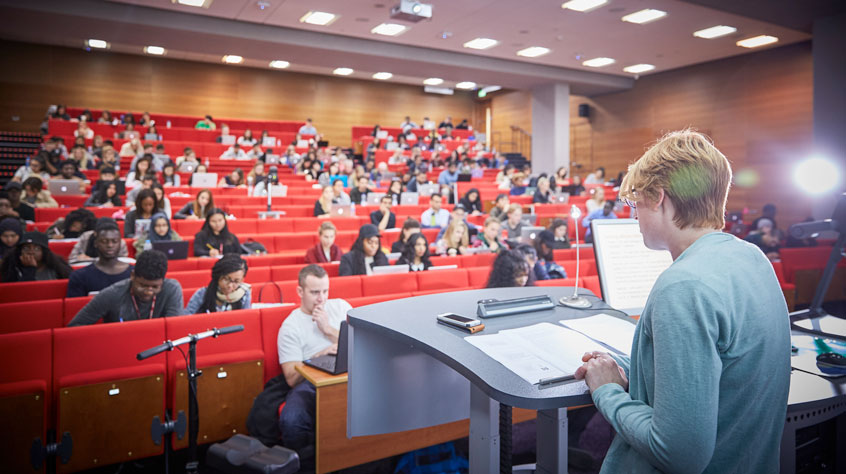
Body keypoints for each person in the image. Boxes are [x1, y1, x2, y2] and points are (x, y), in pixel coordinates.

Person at [574, 130, 789, 474]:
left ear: (659, 197)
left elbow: (678, 454)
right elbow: (719, 378)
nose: (632, 217)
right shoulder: (752, 257)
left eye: (634, 203)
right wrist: (636, 373)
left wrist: (608, 391)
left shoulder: (683, 287)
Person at [277, 264, 351, 462]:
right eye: (315, 292)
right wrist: (319, 355)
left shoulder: (341, 306)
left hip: (349, 373)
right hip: (311, 383)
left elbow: (361, 343)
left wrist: (327, 329)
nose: (322, 298)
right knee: (292, 420)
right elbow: (292, 378)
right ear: (300, 291)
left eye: (325, 291)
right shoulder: (290, 326)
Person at [68, 250, 184, 325]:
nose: (148, 292)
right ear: (132, 276)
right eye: (143, 285)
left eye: (155, 287)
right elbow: (75, 326)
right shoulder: (113, 293)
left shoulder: (172, 289)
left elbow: (174, 327)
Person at [66, 219, 133, 297]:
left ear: (120, 243)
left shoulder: (134, 274)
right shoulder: (79, 276)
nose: (110, 245)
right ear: (96, 243)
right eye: (104, 241)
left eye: (114, 241)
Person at [185, 255, 251, 314]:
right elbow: (186, 318)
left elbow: (245, 318)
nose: (230, 286)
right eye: (226, 279)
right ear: (218, 276)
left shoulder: (244, 294)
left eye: (236, 281)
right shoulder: (202, 293)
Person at [0, 231, 72, 282]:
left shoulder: (57, 267)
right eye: (26, 248)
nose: (31, 252)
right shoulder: (12, 268)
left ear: (44, 252)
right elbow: (20, 293)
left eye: (37, 248)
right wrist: (29, 269)